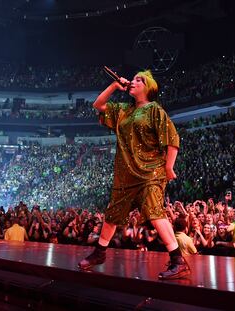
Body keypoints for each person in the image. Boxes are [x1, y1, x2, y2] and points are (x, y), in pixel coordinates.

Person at [78, 70, 190, 280]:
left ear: (148, 88)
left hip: (151, 171)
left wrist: (168, 167)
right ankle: (100, 252)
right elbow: (98, 105)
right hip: (126, 172)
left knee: (154, 212)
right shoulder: (124, 110)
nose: (133, 81)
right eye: (134, 78)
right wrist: (114, 87)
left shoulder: (155, 110)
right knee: (113, 213)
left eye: (139, 79)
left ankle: (178, 260)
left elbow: (172, 139)